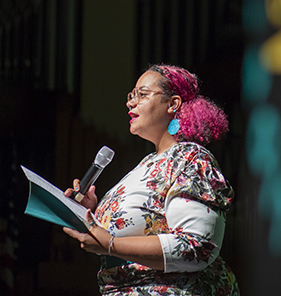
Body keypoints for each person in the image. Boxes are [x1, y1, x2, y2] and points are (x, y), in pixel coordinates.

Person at [62, 64, 240, 295]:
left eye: (142, 94)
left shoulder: (190, 158)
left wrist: (111, 244)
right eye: (131, 96)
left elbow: (197, 248)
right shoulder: (147, 163)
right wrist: (90, 212)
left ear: (173, 104)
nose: (130, 103)